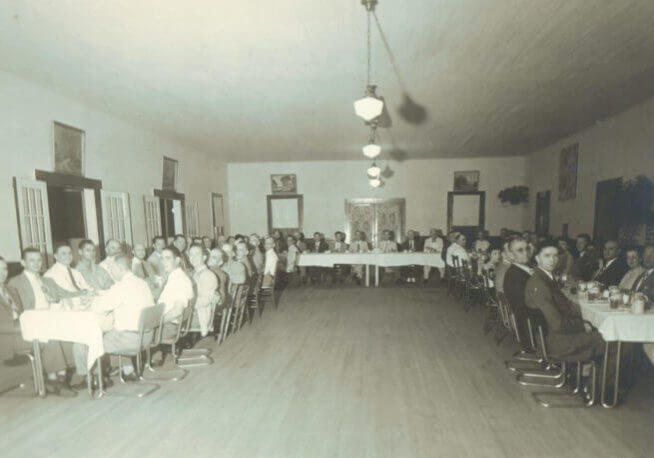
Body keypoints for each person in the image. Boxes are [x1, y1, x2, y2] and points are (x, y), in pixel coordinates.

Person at [71, 253, 155, 386]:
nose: (110, 272)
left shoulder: (121, 286)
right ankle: (128, 370)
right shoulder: (142, 283)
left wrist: (90, 301)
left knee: (82, 343)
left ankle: (93, 379)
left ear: (119, 268)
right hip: (146, 336)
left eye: (112, 268)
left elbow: (98, 307)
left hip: (130, 340)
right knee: (112, 329)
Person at [7, 248, 76, 395]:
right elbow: (17, 310)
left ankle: (58, 378)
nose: (36, 263)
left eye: (39, 260)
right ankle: (56, 380)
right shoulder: (14, 282)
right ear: (23, 262)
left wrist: (85, 293)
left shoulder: (48, 280)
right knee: (51, 335)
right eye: (32, 260)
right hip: (30, 322)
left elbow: (65, 294)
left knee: (68, 331)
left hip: (50, 318)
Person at [525, 241, 605, 362]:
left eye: (555, 255)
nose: (552, 260)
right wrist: (582, 325)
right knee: (611, 340)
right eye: (547, 256)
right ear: (537, 258)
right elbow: (557, 324)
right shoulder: (540, 284)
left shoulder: (545, 278)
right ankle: (593, 379)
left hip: (552, 336)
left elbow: (565, 309)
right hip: (554, 342)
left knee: (600, 330)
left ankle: (587, 372)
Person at [157, 246, 195, 346]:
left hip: (168, 327)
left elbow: (178, 310)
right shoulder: (174, 276)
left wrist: (157, 322)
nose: (163, 262)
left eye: (168, 258)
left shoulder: (179, 280)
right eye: (162, 258)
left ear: (177, 260)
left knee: (132, 334)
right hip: (167, 324)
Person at [502, 237, 533, 350]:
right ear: (510, 255)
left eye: (527, 249)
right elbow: (522, 309)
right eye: (520, 250)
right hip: (531, 328)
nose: (526, 253)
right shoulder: (514, 276)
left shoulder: (523, 270)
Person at [0, 256, 31, 365]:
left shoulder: (12, 290)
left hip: (21, 330)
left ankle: (54, 377)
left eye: (4, 269)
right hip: (6, 337)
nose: (2, 273)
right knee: (46, 341)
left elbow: (21, 313)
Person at [188, 244, 219, 337]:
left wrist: (184, 306)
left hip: (199, 317)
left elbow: (204, 301)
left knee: (161, 319)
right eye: (191, 254)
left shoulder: (207, 275)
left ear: (204, 257)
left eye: (197, 254)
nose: (193, 257)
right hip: (193, 313)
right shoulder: (194, 272)